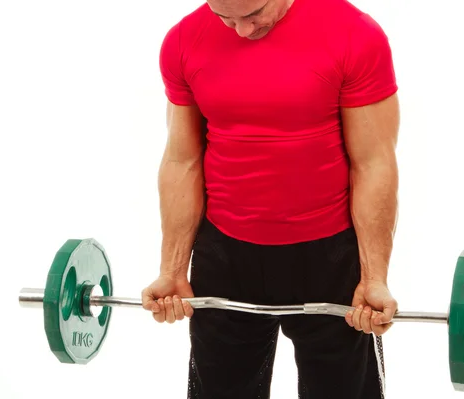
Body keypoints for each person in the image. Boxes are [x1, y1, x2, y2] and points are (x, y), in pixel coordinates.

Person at [141, 0, 400, 397]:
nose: (242, 31)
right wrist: (173, 269)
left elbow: (374, 164)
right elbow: (182, 160)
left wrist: (374, 276)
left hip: (329, 258)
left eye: (253, 14)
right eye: (225, 18)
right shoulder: (183, 41)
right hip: (226, 256)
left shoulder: (354, 34)